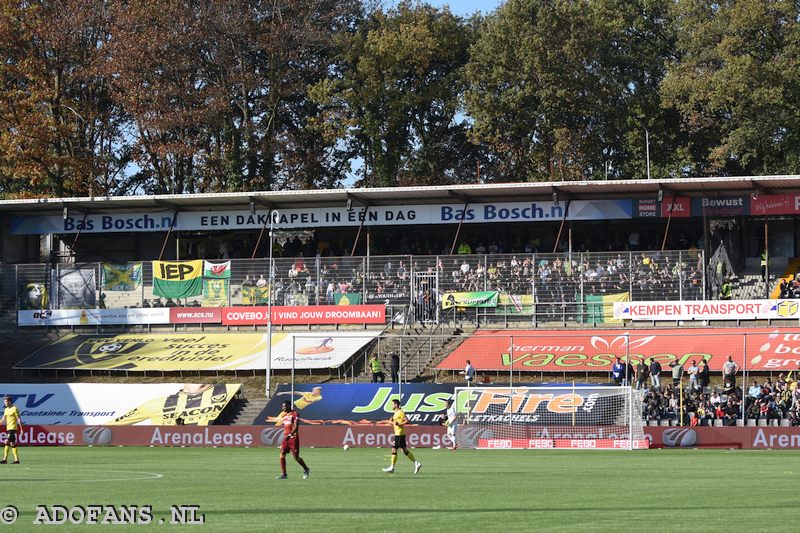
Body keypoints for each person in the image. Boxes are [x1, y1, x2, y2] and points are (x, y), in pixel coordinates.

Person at [383, 399, 421, 474]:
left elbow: (407, 420)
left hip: (399, 434)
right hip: (400, 433)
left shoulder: (400, 412)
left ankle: (392, 467)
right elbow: (396, 422)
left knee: (394, 449)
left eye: (392, 404)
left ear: (396, 405)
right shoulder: (396, 413)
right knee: (404, 450)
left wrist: (400, 424)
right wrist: (391, 421)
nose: (391, 405)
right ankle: (417, 463)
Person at [276, 400, 310, 480]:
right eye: (282, 406)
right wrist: (286, 436)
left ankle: (306, 469)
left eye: (284, 406)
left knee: (296, 458)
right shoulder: (285, 415)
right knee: (282, 454)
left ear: (288, 405)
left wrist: (290, 435)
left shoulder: (295, 414)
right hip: (286, 438)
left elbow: (296, 427)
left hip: (293, 438)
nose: (282, 407)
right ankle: (284, 474)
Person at [0, 396, 21, 464]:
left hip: (13, 428)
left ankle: (4, 459)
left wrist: (21, 429)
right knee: (12, 443)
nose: (5, 403)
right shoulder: (6, 409)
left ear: (10, 402)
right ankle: (16, 460)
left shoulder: (15, 408)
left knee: (6, 441)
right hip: (8, 428)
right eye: (4, 402)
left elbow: (18, 419)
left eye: (6, 402)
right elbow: (3, 419)